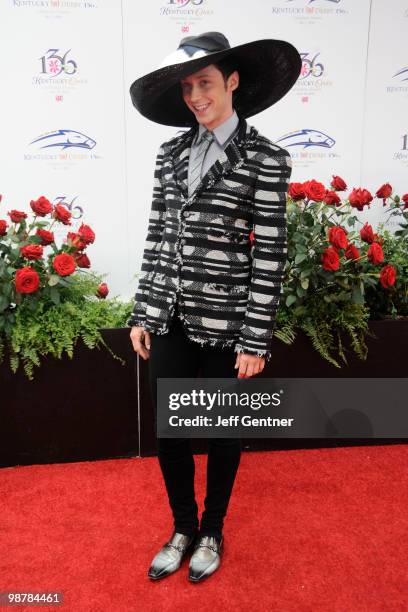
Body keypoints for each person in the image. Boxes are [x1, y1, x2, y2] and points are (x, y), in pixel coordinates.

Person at [127, 31, 301, 582]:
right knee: (170, 431)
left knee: (222, 431)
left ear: (232, 81)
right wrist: (144, 307)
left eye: (205, 83)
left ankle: (211, 529)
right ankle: (181, 526)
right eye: (186, 87)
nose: (196, 96)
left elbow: (271, 254)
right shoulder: (170, 153)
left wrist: (256, 339)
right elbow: (158, 234)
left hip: (229, 327)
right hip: (170, 318)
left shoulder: (268, 158)